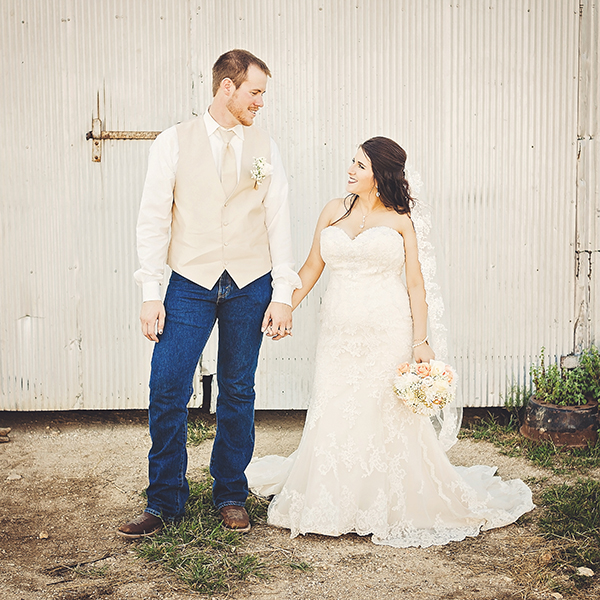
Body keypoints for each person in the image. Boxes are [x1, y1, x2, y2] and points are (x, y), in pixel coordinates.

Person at [246, 137, 535, 548]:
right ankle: (334, 499)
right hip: (339, 332)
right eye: (352, 162)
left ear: (379, 176)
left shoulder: (401, 219)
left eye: (359, 166)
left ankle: (385, 501)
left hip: (387, 330)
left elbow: (415, 283)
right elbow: (311, 267)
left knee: (384, 413)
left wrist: (421, 341)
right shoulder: (333, 210)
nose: (349, 170)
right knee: (336, 406)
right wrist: (284, 306)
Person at [118, 49, 300, 539]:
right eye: (255, 92)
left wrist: (282, 291)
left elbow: (278, 217)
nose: (261, 103)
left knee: (238, 388)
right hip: (189, 281)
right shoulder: (172, 143)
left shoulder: (265, 145)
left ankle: (231, 493)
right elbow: (154, 218)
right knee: (168, 386)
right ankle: (164, 501)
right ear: (227, 89)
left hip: (250, 281)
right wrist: (150, 291)